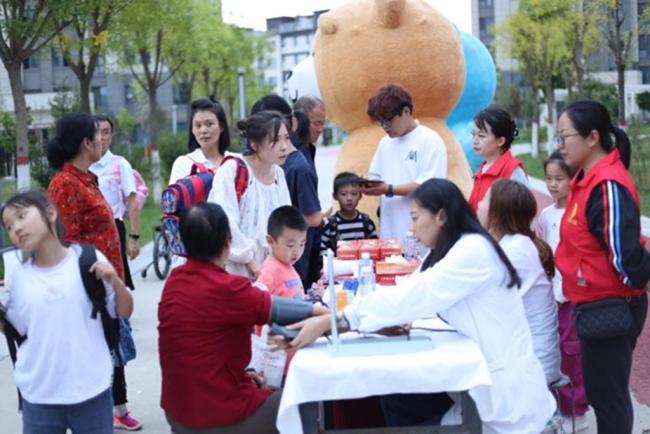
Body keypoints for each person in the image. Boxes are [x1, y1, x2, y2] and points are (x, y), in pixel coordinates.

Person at [282, 178, 556, 432]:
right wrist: (334, 317)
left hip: (506, 398)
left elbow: (414, 296)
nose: (410, 228)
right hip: (484, 383)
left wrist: (335, 322)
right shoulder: (446, 251)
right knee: (397, 399)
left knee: (400, 402)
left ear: (440, 216)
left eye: (414, 217)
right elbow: (407, 290)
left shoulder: (473, 251)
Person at [158, 202, 328, 434]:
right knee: (299, 402)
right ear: (228, 241)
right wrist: (334, 315)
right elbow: (285, 308)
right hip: (215, 412)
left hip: (176, 410)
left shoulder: (173, 283)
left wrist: (244, 375)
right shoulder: (228, 288)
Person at [0, 191, 133, 434]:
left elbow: (124, 310)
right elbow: (16, 330)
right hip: (39, 396)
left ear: (50, 213)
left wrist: (115, 282)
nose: (16, 228)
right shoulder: (18, 278)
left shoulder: (88, 260)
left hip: (92, 390)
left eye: (21, 216)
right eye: (9, 225)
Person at [554, 100, 650, 434]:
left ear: (592, 137)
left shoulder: (607, 184)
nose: (560, 145)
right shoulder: (586, 179)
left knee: (609, 401)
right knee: (603, 395)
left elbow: (625, 257)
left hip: (610, 307)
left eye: (565, 136)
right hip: (593, 304)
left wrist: (637, 284)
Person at [45, 113, 142, 431]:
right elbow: (64, 243)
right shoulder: (65, 184)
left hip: (106, 289)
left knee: (110, 363)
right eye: (98, 136)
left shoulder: (86, 178)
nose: (103, 140)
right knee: (96, 370)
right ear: (87, 143)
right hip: (88, 295)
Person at [477, 179, 561, 385]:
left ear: (496, 215)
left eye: (485, 199)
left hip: (531, 365)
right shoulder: (511, 244)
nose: (478, 203)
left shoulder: (516, 253)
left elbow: (479, 299)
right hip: (518, 355)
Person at [88, 116, 143, 430]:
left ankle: (119, 407)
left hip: (114, 234)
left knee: (115, 315)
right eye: (96, 133)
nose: (101, 138)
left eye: (106, 132)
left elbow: (132, 199)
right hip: (87, 248)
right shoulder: (78, 172)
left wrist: (133, 237)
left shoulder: (117, 163)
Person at [536, 150, 589, 432]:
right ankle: (558, 405)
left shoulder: (578, 213)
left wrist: (561, 294)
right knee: (553, 349)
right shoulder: (546, 215)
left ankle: (576, 411)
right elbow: (546, 255)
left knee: (572, 352)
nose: (553, 184)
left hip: (571, 297)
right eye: (548, 178)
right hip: (552, 296)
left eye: (559, 178)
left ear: (573, 179)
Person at [208, 110, 291, 278]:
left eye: (286, 138)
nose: (284, 146)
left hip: (270, 274)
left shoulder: (279, 175)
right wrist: (251, 262)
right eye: (275, 140)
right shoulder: (231, 171)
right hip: (234, 275)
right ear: (254, 144)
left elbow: (286, 222)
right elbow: (225, 223)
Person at [251, 95, 322, 287]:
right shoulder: (260, 168)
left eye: (280, 137)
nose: (280, 146)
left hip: (289, 263)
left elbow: (314, 217)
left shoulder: (294, 168)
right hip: (264, 265)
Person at [362, 84, 447, 241]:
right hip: (389, 235)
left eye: (388, 122)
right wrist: (366, 184)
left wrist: (388, 189)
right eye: (380, 123)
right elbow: (376, 176)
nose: (385, 128)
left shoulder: (430, 140)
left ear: (406, 111)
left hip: (421, 237)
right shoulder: (385, 143)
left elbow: (429, 188)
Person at [294, 95, 327, 288]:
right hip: (296, 243)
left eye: (322, 123)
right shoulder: (292, 156)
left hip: (313, 239)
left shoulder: (309, 150)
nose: (320, 129)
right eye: (316, 123)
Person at [467, 108, 528, 211]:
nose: (475, 141)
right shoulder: (480, 172)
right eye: (473, 134)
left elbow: (525, 214)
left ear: (500, 141)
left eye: (481, 136)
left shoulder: (512, 170)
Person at [169, 96, 231, 185]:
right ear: (192, 129)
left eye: (209, 124)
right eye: (198, 125)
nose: (203, 130)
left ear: (221, 126)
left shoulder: (236, 162)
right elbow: (173, 197)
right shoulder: (184, 164)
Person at [256, 205, 308, 300]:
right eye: (290, 246)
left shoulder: (287, 264)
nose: (297, 252)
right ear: (271, 241)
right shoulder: (270, 271)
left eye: (302, 244)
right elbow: (256, 300)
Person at [321, 172, 378, 254]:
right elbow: (322, 251)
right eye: (343, 194)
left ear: (360, 196)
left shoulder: (366, 222)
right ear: (335, 196)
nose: (349, 198)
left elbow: (374, 248)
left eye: (354, 194)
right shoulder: (329, 224)